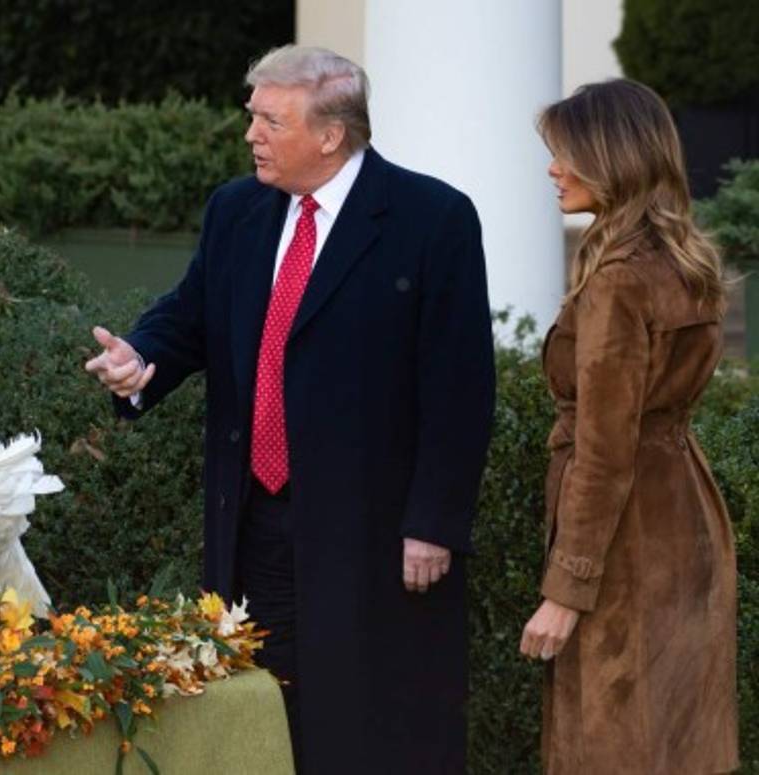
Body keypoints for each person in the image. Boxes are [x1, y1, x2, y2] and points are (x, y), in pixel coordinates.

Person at [85, 45, 495, 773]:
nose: (251, 135)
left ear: (331, 134)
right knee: (264, 720)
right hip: (256, 523)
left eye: (270, 120)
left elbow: (459, 387)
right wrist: (140, 360)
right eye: (253, 117)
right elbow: (189, 317)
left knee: (370, 729)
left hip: (376, 536)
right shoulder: (237, 210)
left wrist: (433, 522)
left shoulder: (432, 218)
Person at [518, 79, 737, 774]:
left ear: (612, 158)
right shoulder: (681, 261)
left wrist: (565, 588)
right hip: (686, 516)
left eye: (568, 154)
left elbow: (604, 451)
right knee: (677, 744)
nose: (554, 168)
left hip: (625, 537)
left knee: (611, 744)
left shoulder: (619, 279)